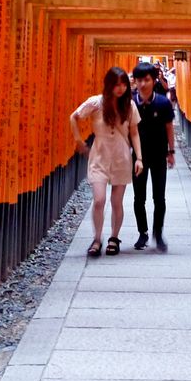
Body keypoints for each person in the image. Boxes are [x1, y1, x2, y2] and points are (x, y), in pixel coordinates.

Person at [70, 66, 144, 257]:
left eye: (123, 85)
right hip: (99, 158)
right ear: (109, 85)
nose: (120, 88)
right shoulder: (96, 103)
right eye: (116, 84)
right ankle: (96, 238)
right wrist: (78, 140)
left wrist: (139, 159)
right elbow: (74, 117)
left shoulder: (129, 106)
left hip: (121, 158)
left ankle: (113, 237)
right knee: (99, 200)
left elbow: (134, 133)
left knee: (116, 201)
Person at [130, 61, 176, 252]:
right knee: (139, 197)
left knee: (159, 197)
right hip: (138, 156)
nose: (142, 84)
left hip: (158, 154)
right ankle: (143, 233)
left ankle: (158, 233)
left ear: (153, 80)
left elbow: (169, 128)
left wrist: (171, 152)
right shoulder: (131, 102)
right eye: (139, 80)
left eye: (146, 80)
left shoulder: (163, 102)